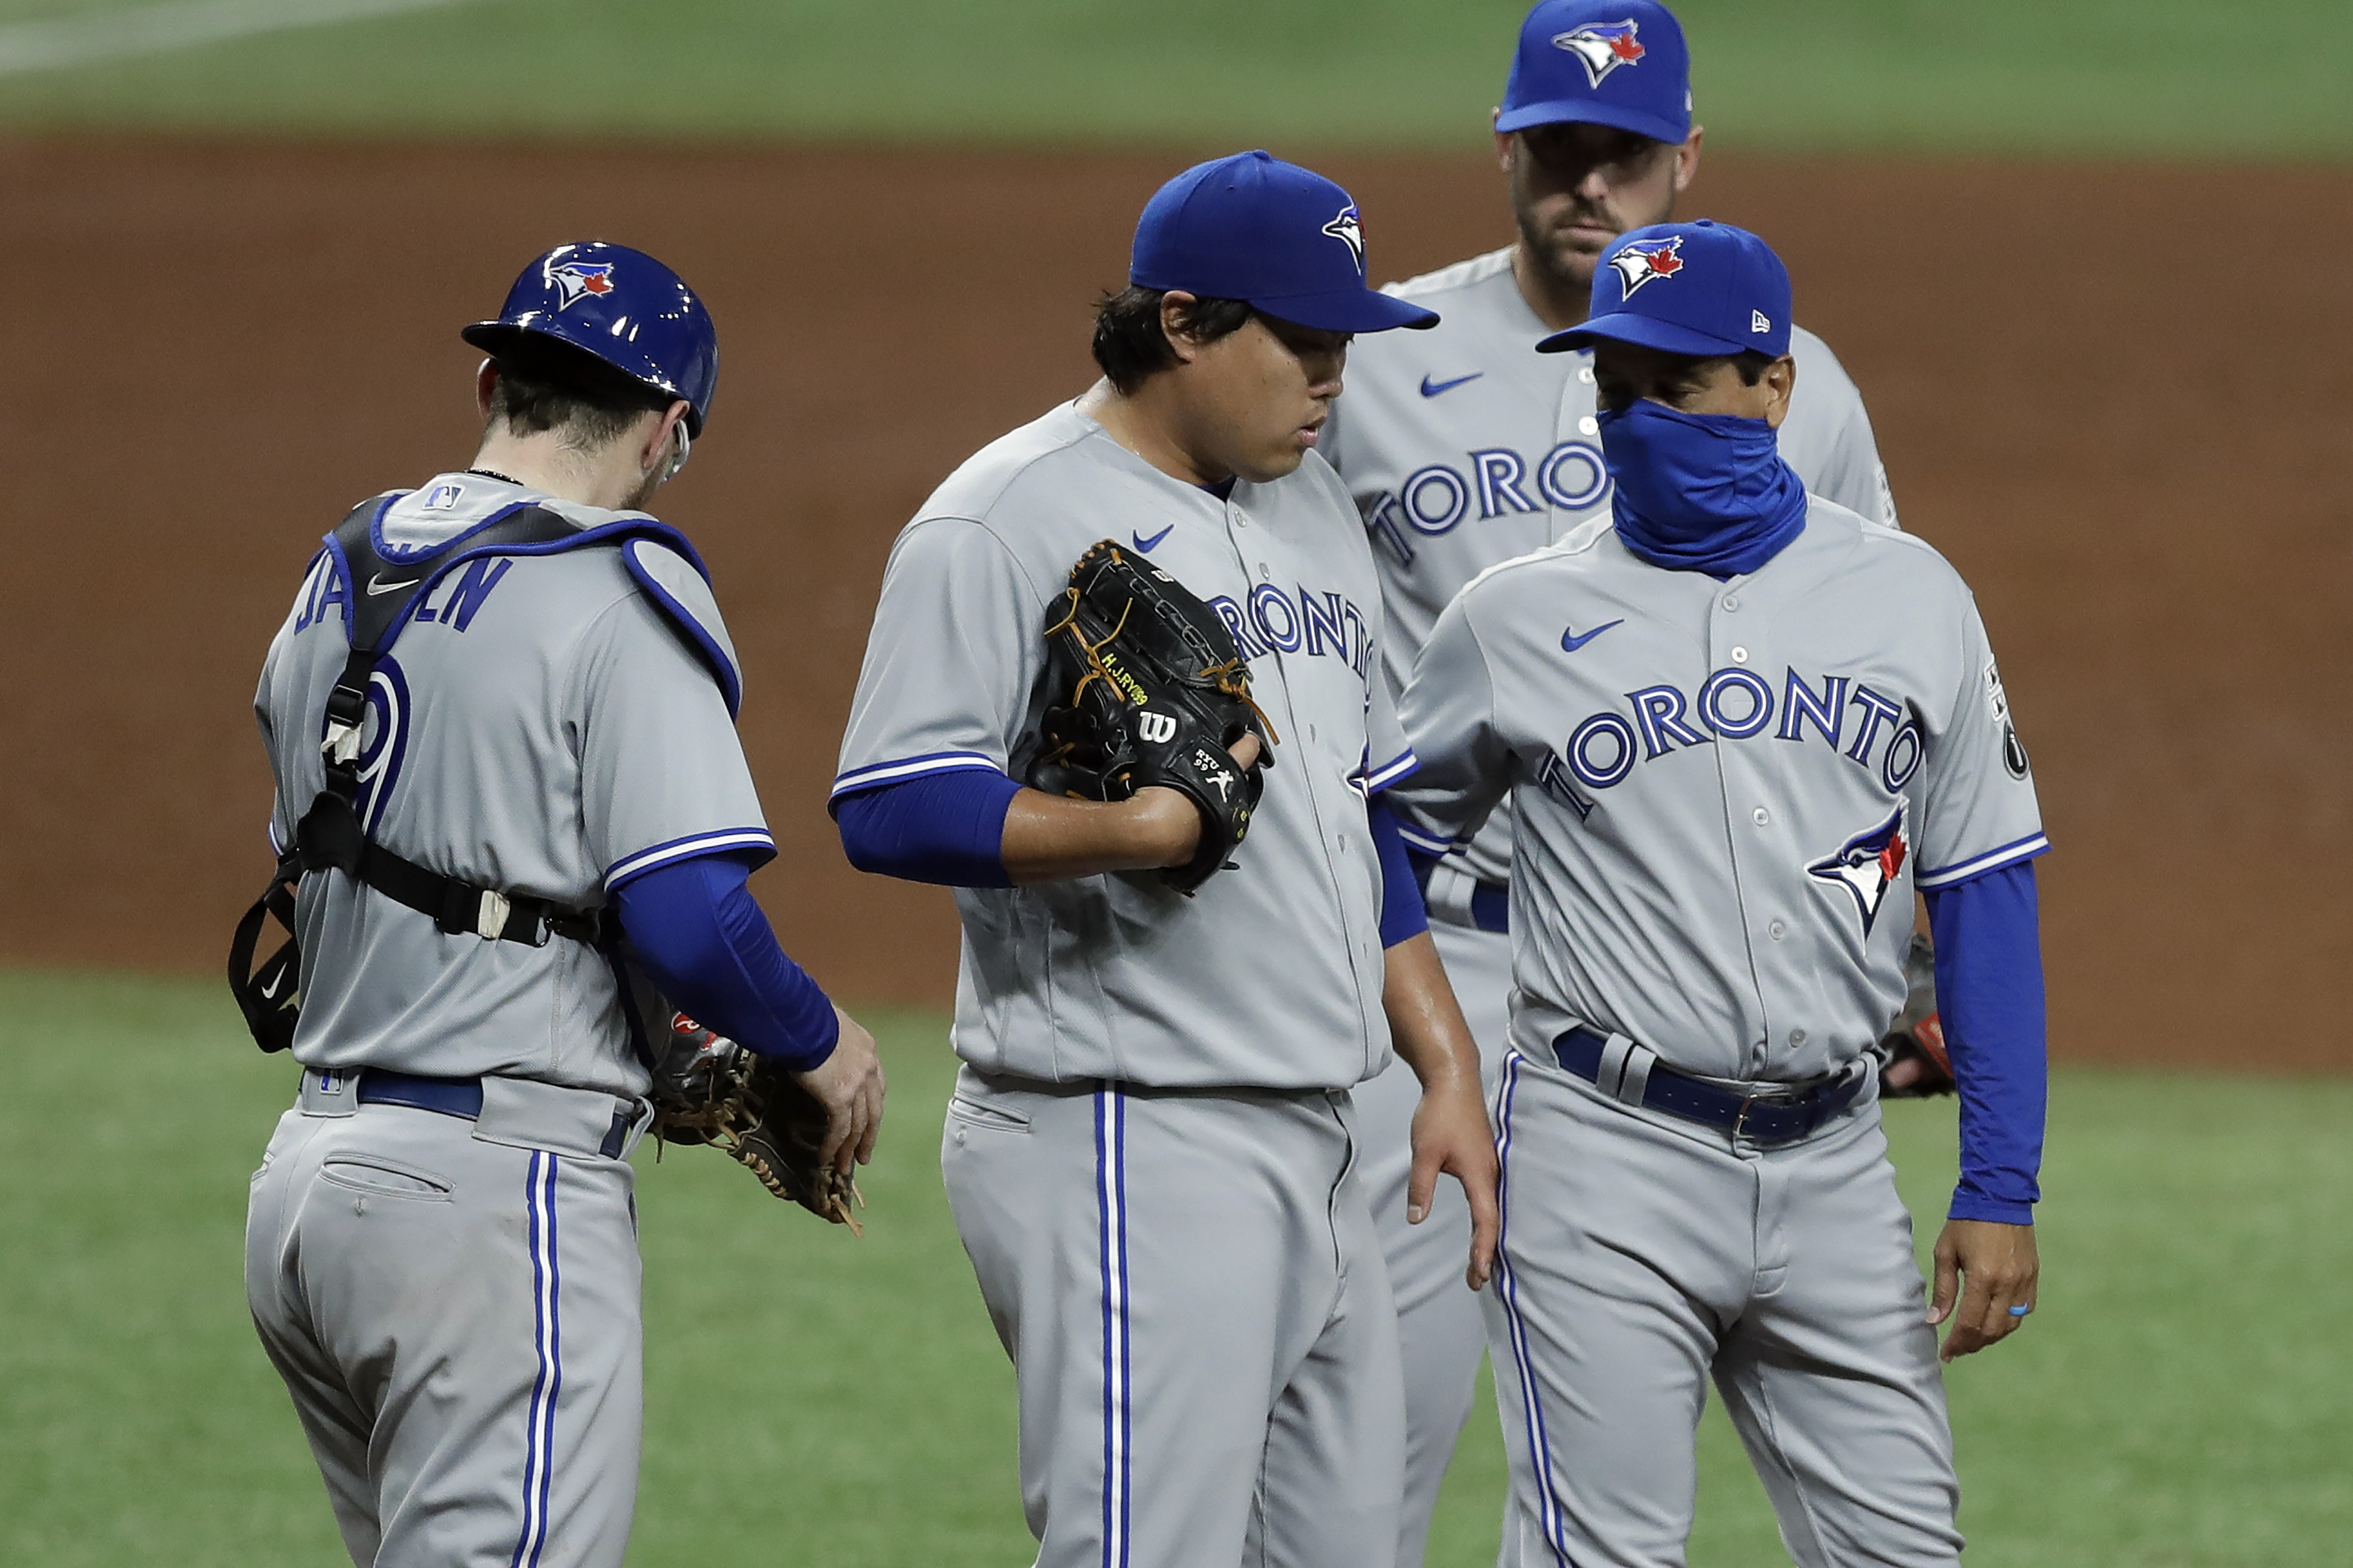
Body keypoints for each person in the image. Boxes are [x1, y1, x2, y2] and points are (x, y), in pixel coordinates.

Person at [831, 151, 1498, 1568]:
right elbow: (888, 800)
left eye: (1346, 345)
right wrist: (1127, 830)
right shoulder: (1001, 515)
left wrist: (1442, 1062)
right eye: (1304, 342)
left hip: (1321, 1136)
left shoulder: (1313, 514)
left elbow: (1350, 810)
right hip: (1129, 1128)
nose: (1334, 379)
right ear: (1183, 324)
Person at [1316, 5, 1904, 1554]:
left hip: (1670, 973)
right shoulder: (1383, 362)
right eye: (1562, 152)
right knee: (1370, 1444)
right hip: (1437, 957)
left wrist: (1886, 950)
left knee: (1594, 1496)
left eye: (1627, 157)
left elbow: (1869, 673)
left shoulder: (1799, 383)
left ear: (1685, 158)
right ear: (1507, 147)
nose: (1593, 188)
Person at [1389, 219, 2047, 1567]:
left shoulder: (1912, 597)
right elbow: (1372, 840)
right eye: (1616, 388)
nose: (1639, 421)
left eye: (1678, 386)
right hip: (1598, 1157)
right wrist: (1443, 1059)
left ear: (1774, 386)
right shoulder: (1514, 618)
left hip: (1836, 1161)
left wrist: (2002, 1180)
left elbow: (1986, 889)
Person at [241, 243, 885, 1568]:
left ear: (493, 378)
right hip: (485, 1208)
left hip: (309, 1193)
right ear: (671, 432)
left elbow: (325, 875)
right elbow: (691, 918)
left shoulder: (336, 567)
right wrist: (822, 1043)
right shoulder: (620, 584)